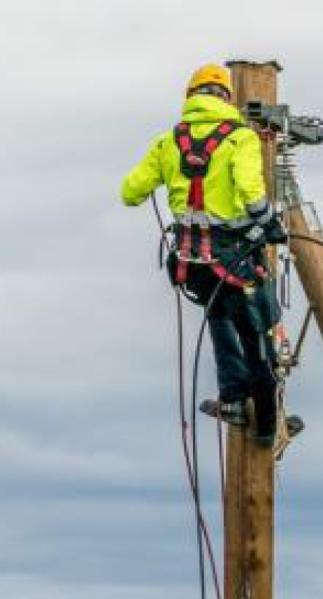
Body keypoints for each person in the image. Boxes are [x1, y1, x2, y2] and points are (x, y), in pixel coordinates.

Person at [121, 64, 288, 446]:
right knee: (257, 332)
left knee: (219, 312)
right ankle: (266, 424)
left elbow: (130, 192)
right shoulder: (240, 138)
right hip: (233, 260)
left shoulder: (167, 143)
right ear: (226, 98)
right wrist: (269, 222)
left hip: (189, 263)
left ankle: (232, 396)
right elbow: (250, 190)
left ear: (190, 98)